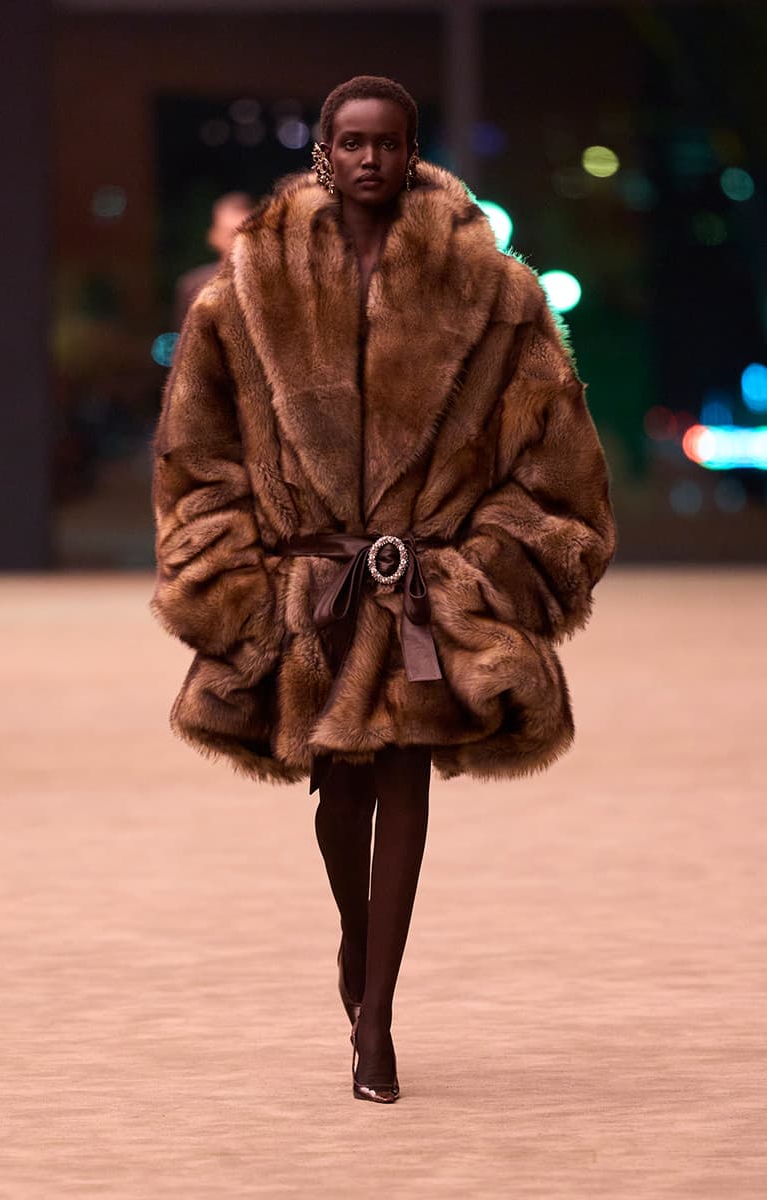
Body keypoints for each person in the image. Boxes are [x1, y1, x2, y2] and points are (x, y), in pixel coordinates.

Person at [150, 75, 617, 1104]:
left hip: (421, 585)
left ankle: (375, 1019)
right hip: (306, 584)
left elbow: (556, 454)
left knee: (401, 779)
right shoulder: (246, 289)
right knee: (337, 789)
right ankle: (357, 944)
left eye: (388, 143)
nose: (369, 159)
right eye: (352, 142)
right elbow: (197, 449)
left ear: (412, 151)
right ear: (325, 150)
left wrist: (483, 562)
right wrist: (227, 567)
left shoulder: (490, 292)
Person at [173, 191, 255, 328]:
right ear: (213, 236)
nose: (238, 242)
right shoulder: (192, 287)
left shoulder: (276, 286)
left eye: (246, 234)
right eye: (230, 234)